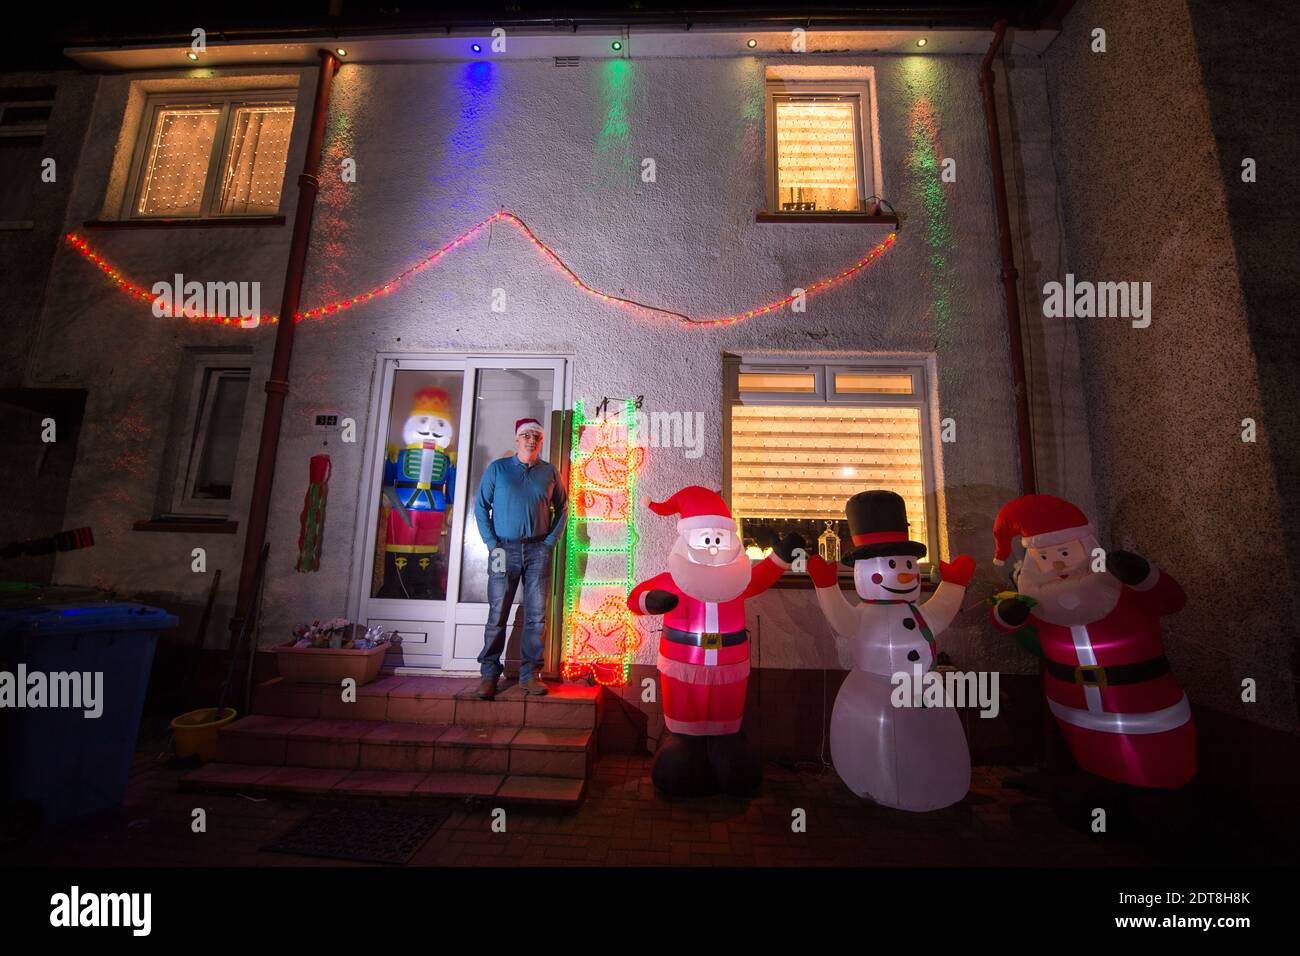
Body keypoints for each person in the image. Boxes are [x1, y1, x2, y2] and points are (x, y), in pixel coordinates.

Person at [473, 417, 567, 698]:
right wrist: (492, 544)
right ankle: (489, 674)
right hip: (503, 550)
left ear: (541, 440)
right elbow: (480, 508)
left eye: (536, 436)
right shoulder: (498, 469)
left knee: (536, 617)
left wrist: (549, 542)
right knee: (497, 613)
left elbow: (562, 508)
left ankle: (529, 674)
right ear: (517, 439)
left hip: (538, 551)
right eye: (525, 435)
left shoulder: (549, 472)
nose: (531, 439)